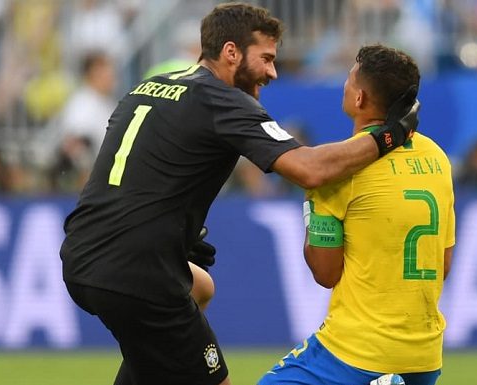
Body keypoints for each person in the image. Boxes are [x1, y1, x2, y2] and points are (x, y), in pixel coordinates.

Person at [59, 3, 418, 385]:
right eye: (265, 58)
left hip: (83, 256)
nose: (272, 71)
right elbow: (310, 169)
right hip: (139, 272)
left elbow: (130, 172)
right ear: (231, 52)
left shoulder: (147, 88)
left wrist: (172, 234)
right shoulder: (223, 100)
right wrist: (389, 135)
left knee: (198, 288)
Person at [258, 44, 455, 385]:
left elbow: (325, 271)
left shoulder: (335, 169)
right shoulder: (437, 157)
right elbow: (444, 263)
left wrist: (312, 209)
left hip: (356, 351)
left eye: (348, 79)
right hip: (424, 355)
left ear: (360, 98)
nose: (344, 85)